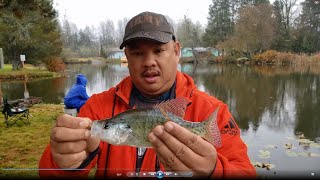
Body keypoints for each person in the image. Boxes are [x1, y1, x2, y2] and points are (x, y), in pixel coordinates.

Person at [39, 11, 256, 178]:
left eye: (159, 50)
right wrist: (64, 164)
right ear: (126, 57)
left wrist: (213, 171)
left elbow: (245, 172)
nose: (149, 61)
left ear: (177, 51)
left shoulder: (211, 111)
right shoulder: (97, 108)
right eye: (138, 53)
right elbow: (49, 173)